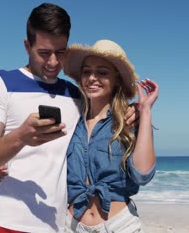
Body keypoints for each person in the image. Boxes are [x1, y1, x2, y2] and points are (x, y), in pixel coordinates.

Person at [0, 3, 137, 233]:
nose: (52, 62)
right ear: (27, 45)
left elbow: (105, 116)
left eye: (60, 53)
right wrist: (20, 137)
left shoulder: (77, 95)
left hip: (59, 225)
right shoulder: (1, 83)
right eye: (44, 53)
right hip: (7, 221)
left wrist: (134, 111)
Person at [63, 39, 159, 232]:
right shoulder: (70, 119)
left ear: (116, 80)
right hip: (71, 226)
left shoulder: (129, 120)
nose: (92, 78)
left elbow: (142, 174)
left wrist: (146, 111)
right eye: (87, 71)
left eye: (102, 72)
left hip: (118, 226)